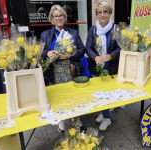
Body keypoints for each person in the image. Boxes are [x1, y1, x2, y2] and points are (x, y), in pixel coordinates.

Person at [40, 5, 85, 132]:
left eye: (61, 15)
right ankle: (61, 120)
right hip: (54, 70)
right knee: (58, 97)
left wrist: (70, 55)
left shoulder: (73, 32)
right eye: (56, 16)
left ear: (64, 17)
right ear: (51, 18)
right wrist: (47, 53)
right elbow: (40, 54)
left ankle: (76, 119)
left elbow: (82, 50)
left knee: (74, 96)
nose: (59, 18)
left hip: (71, 68)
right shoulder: (45, 35)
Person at [86, 1, 121, 131]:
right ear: (96, 14)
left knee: (106, 93)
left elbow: (121, 48)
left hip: (110, 66)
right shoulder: (92, 29)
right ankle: (103, 112)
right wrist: (95, 57)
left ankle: (107, 118)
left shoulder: (116, 29)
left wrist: (111, 55)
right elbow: (88, 47)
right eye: (99, 12)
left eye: (105, 12)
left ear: (109, 13)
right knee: (98, 93)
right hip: (96, 66)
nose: (102, 15)